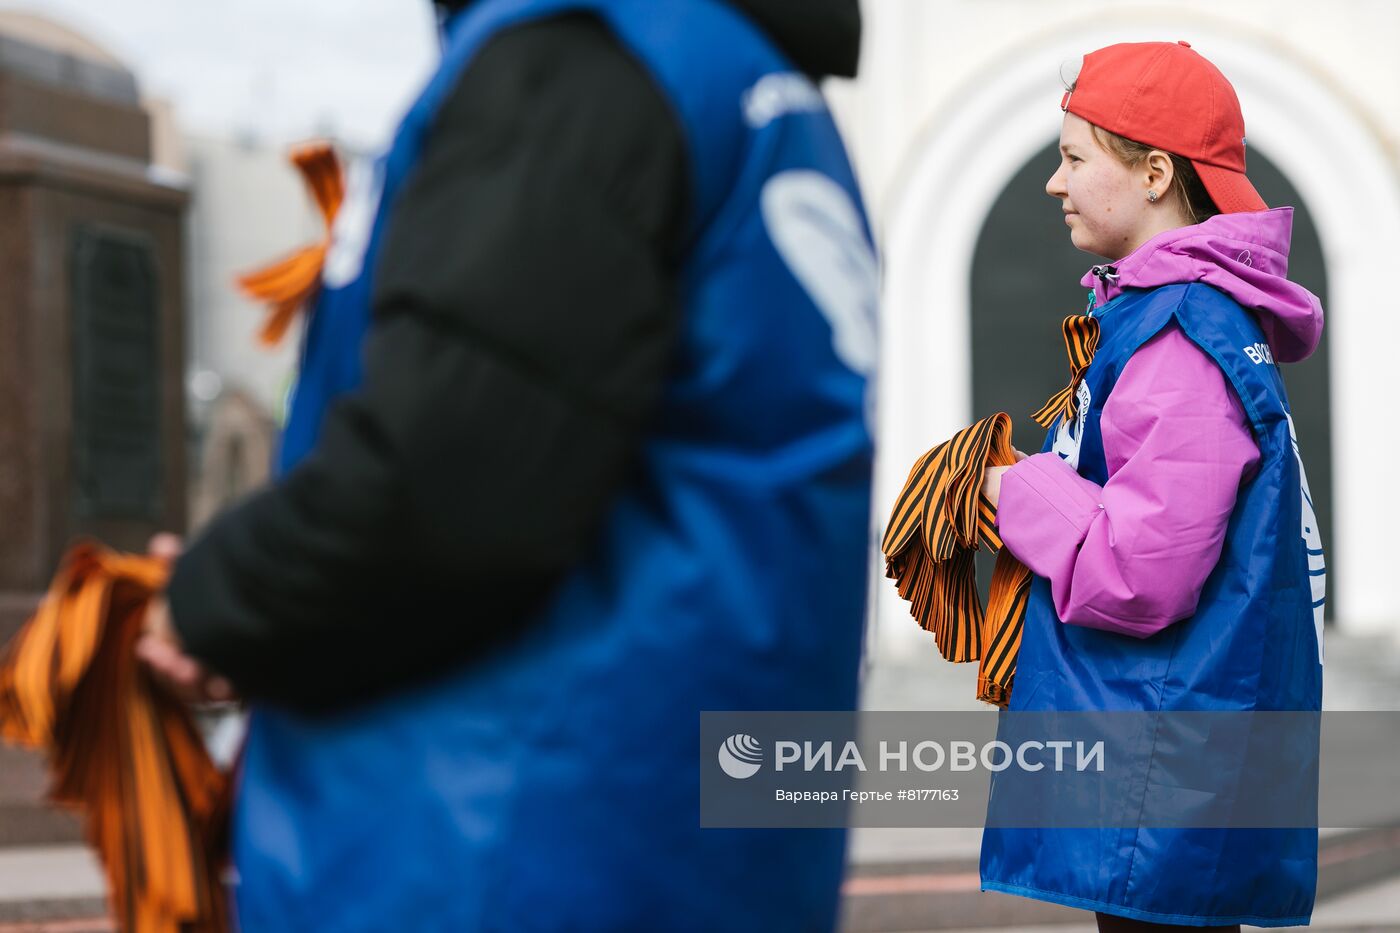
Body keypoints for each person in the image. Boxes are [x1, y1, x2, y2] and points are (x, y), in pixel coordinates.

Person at [137, 0, 878, 929]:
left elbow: (445, 484)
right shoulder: (732, 72)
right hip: (668, 839)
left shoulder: (578, 58)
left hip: (495, 842)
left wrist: (212, 600)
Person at [976, 41, 1325, 930]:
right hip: (1166, 763)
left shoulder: (1180, 339)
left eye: (1074, 157)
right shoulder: (1169, 316)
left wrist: (1011, 490)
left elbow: (1141, 575)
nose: (1055, 183)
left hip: (1160, 777)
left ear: (1156, 172)